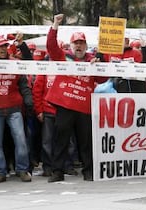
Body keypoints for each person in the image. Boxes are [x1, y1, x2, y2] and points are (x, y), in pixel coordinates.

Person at [45, 14, 108, 182]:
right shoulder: (63, 56)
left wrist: (102, 62)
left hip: (84, 108)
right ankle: (57, 172)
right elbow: (51, 46)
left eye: (81, 43)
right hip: (64, 106)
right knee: (61, 140)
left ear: (86, 46)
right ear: (71, 45)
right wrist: (55, 25)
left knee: (86, 142)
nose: (79, 46)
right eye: (76, 43)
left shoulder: (93, 60)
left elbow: (103, 79)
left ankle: (89, 172)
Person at [0, 37, 34, 183]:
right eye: (0, 47)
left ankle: (22, 170)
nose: (3, 49)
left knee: (20, 140)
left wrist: (28, 99)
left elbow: (24, 84)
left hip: (14, 108)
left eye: (5, 46)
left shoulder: (14, 64)